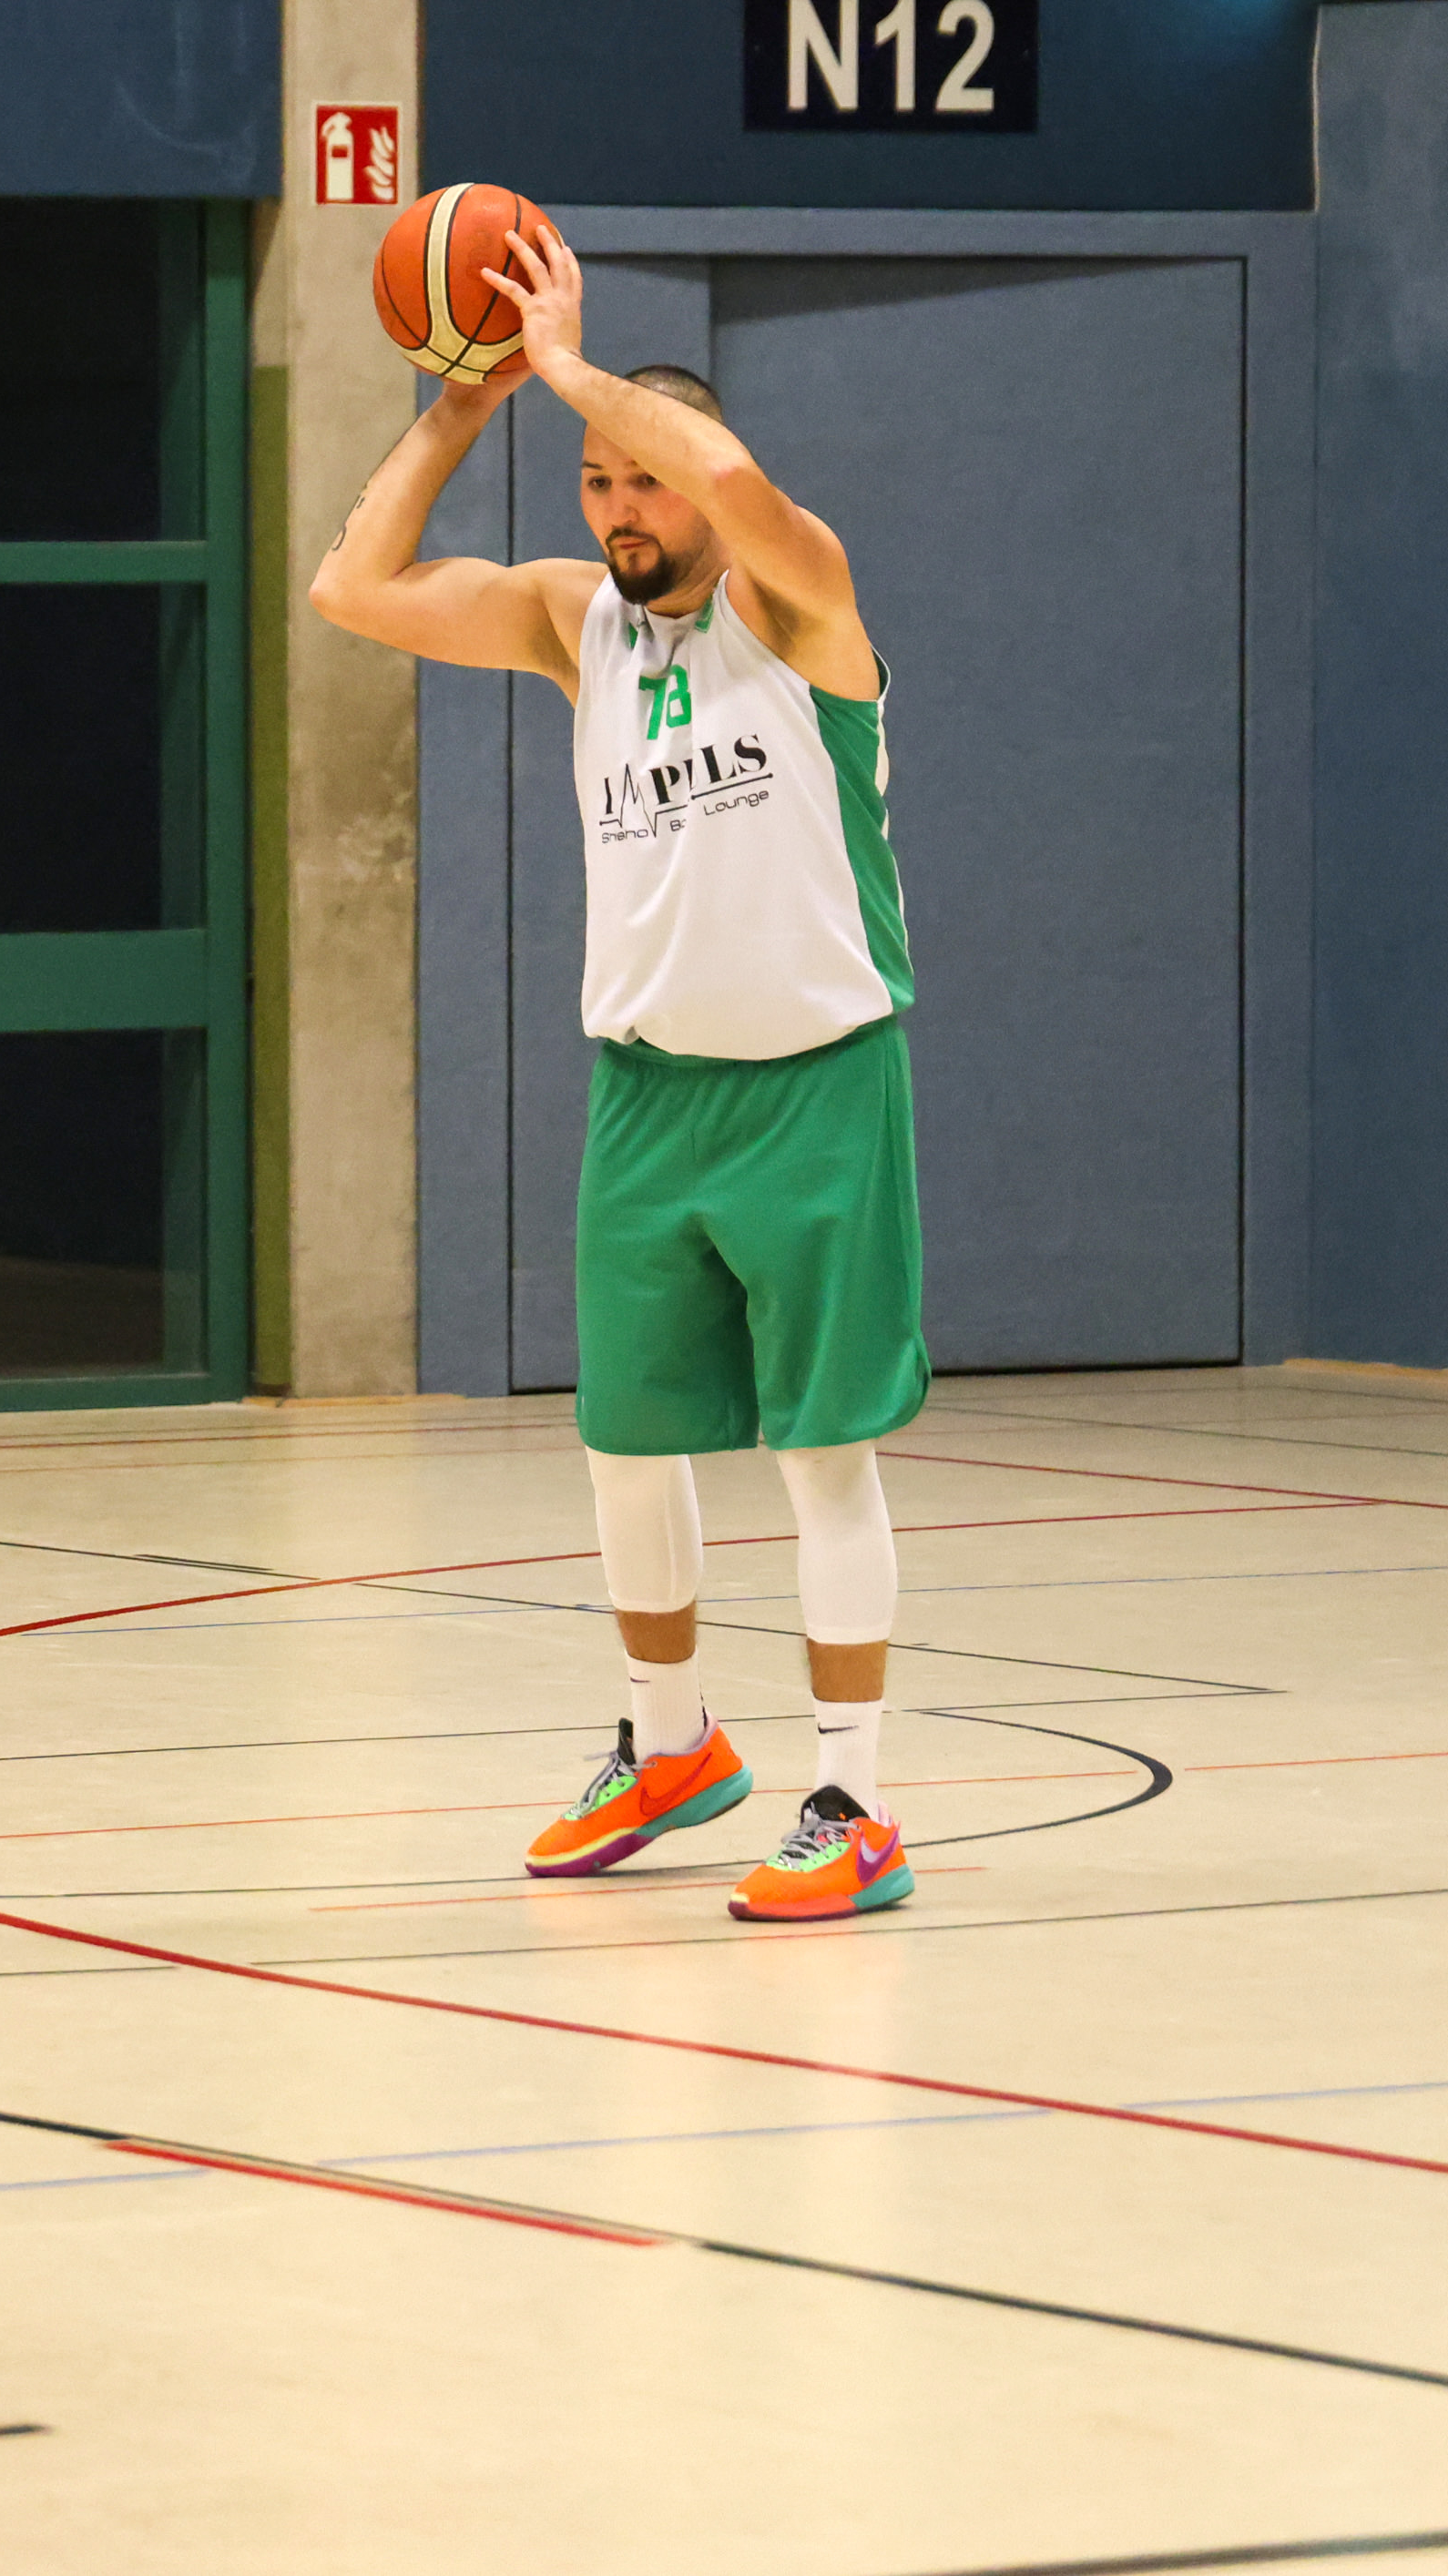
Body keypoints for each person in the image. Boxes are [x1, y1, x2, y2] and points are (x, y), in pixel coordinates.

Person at [310, 222, 923, 1923]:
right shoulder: (575, 624)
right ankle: (671, 1744)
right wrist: (462, 402)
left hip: (815, 1084)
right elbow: (350, 586)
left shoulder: (798, 601)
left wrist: (576, 370)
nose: (618, 506)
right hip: (649, 1094)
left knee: (820, 1454)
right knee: (624, 1441)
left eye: (638, 477)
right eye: (593, 482)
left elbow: (730, 481)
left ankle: (852, 1798)